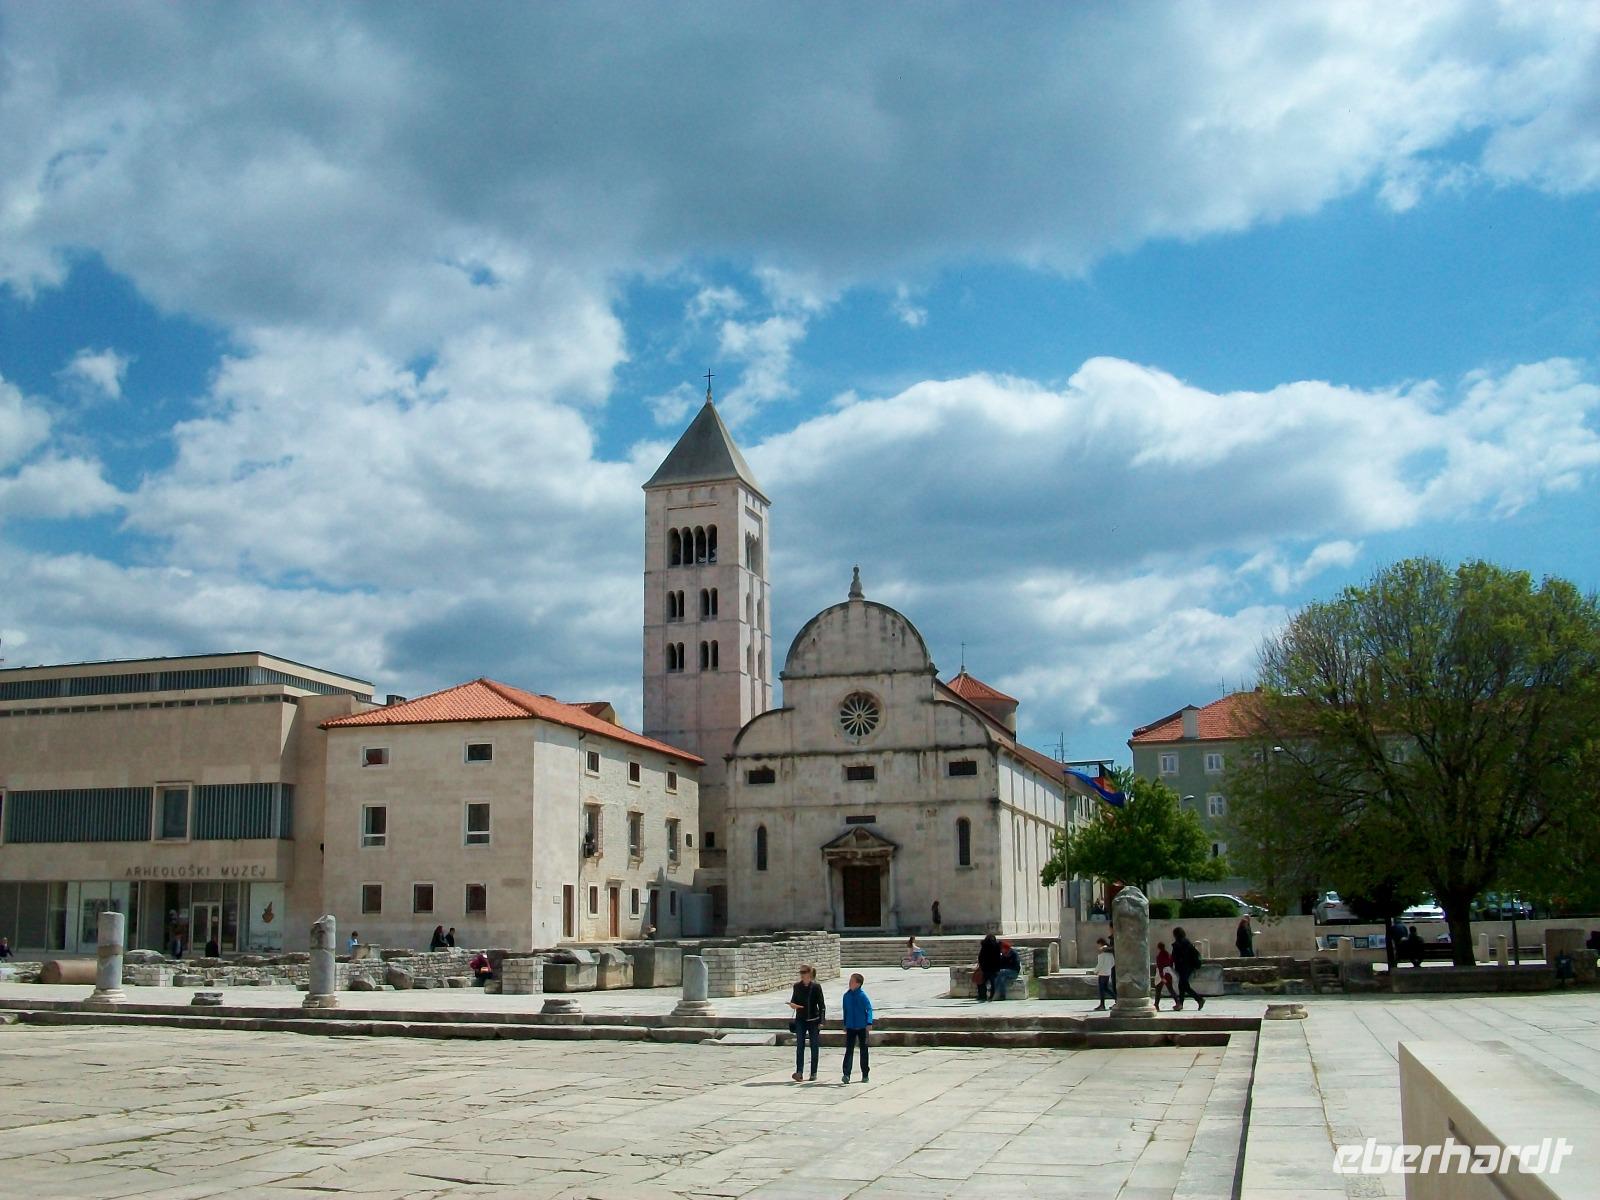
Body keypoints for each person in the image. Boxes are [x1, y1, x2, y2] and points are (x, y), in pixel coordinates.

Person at [788, 963, 826, 1082]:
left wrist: (822, 1021)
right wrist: (793, 1005)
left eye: (804, 972)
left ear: (809, 974)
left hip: (813, 1020)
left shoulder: (816, 987)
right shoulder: (797, 986)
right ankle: (799, 1072)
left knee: (814, 1046)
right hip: (800, 1020)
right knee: (800, 1046)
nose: (802, 974)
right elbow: (793, 1000)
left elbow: (822, 1005)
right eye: (801, 972)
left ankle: (813, 1072)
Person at [840, 972, 874, 1084]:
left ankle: (865, 1074)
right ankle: (846, 1074)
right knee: (849, 1050)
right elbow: (845, 1011)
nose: (850, 983)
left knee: (863, 1050)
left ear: (858, 984)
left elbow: (869, 1009)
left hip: (862, 1027)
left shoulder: (862, 996)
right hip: (850, 1026)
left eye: (852, 981)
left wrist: (869, 1023)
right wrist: (845, 1024)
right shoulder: (846, 996)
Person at [1171, 926, 1205, 1010]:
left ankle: (1199, 999)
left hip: (1184, 967)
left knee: (1184, 986)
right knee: (1182, 985)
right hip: (1188, 967)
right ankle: (1180, 1004)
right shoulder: (1187, 942)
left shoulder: (1179, 943)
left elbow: (1177, 956)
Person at [976, 933, 1002, 1003]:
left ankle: (982, 996)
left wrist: (981, 965)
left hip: (985, 968)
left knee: (981, 983)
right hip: (994, 968)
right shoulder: (996, 946)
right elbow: (999, 958)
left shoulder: (984, 946)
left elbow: (980, 957)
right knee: (993, 983)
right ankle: (992, 996)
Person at [1153, 941, 1177, 1011]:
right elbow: (1171, 963)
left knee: (1158, 990)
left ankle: (1156, 1005)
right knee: (1170, 989)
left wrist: (1162, 976)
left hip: (1162, 974)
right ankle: (1177, 1002)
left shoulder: (1159, 956)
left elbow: (1160, 966)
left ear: (1158, 948)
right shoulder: (1168, 954)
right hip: (1168, 973)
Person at [1092, 937, 1115, 1010]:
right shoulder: (1110, 953)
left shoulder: (1102, 952)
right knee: (1106, 988)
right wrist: (1108, 968)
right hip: (1108, 973)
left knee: (1102, 989)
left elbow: (1100, 964)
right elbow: (1113, 963)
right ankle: (1116, 998)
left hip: (1102, 973)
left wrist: (1095, 971)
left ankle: (1102, 1005)